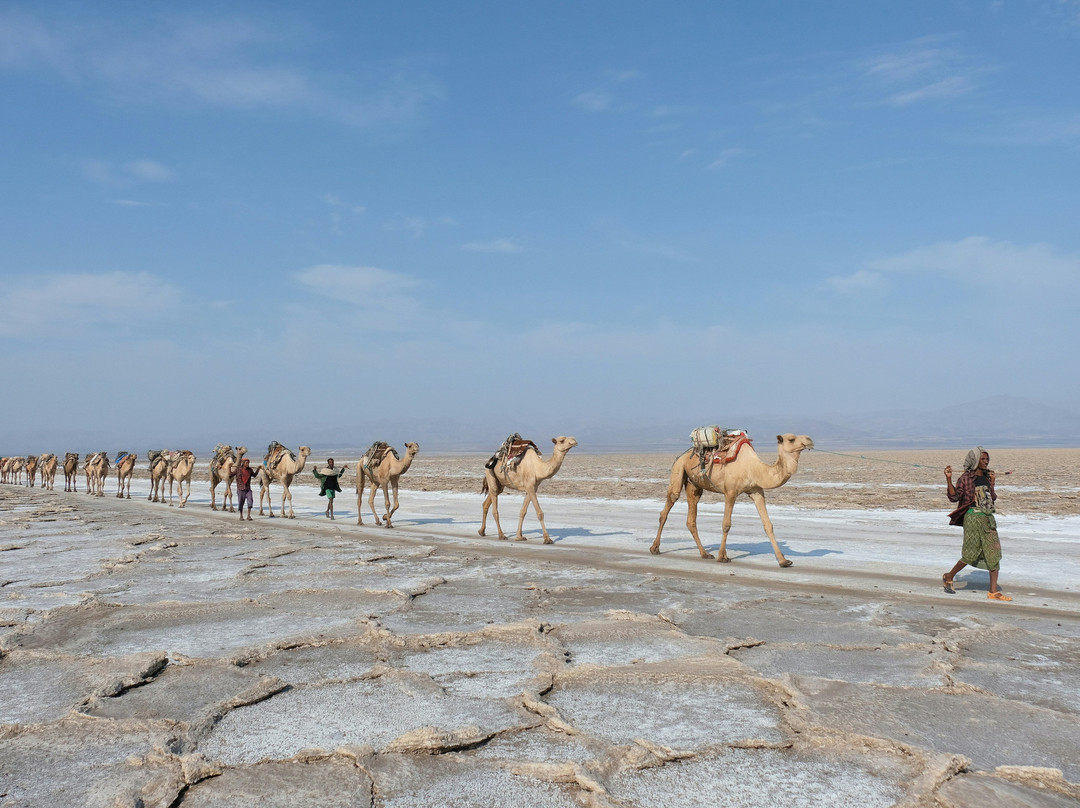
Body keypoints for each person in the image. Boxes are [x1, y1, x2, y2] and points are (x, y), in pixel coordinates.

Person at [943, 447, 1011, 601]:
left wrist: (992, 483)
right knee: (970, 553)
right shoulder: (966, 478)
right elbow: (954, 497)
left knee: (994, 552)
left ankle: (993, 591)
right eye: (983, 459)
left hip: (988, 518)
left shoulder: (987, 477)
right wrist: (948, 478)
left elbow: (991, 498)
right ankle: (948, 576)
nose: (986, 462)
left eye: (987, 459)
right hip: (973, 518)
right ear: (975, 460)